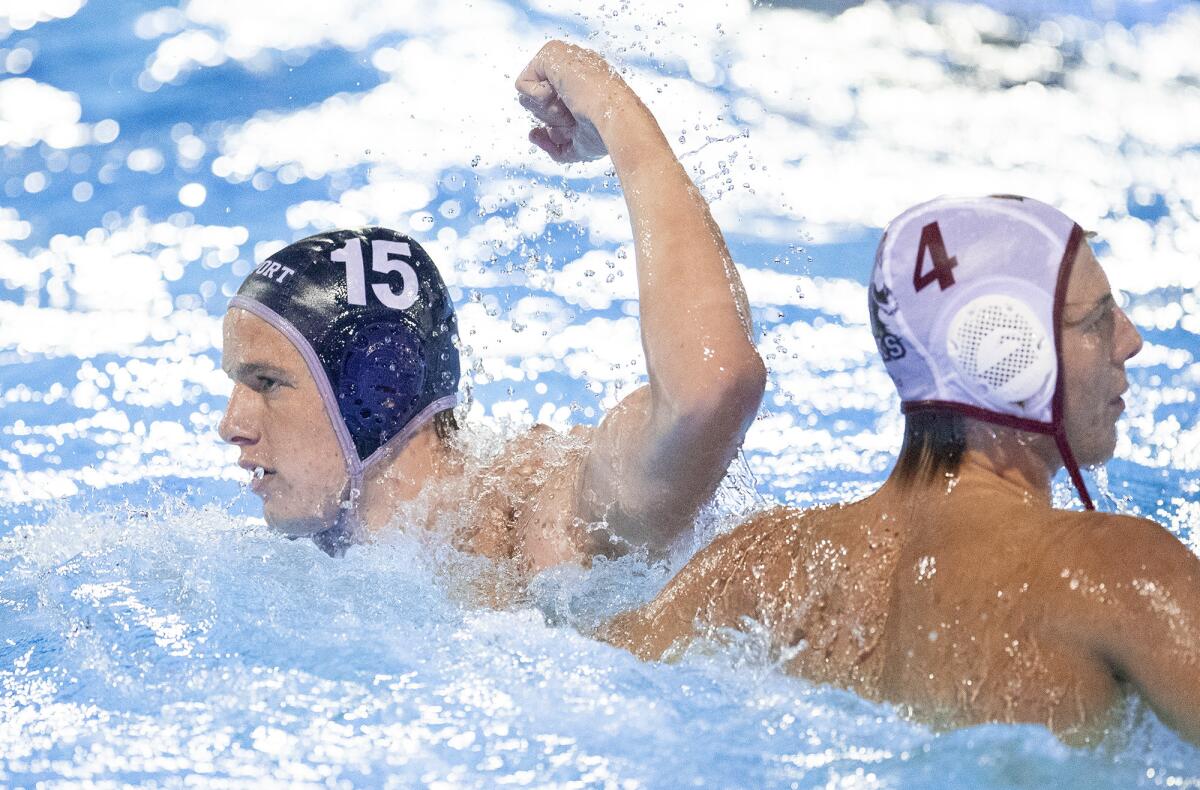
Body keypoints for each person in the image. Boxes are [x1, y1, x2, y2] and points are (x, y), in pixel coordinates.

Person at [603, 195, 1200, 745]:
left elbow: (592, 662)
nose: (1131, 339)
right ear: (1007, 356)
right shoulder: (1117, 570)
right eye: (1096, 319)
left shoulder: (756, 567)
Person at [217, 41, 766, 572]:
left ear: (377, 386)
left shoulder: (532, 518)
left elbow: (708, 392)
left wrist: (615, 111)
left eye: (266, 382)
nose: (230, 426)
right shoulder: (315, 562)